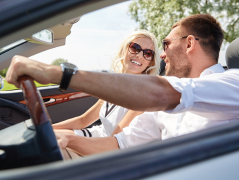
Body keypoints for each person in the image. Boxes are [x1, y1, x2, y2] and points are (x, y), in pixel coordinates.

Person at [6, 14, 239, 157]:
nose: (162, 55)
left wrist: (55, 73)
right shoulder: (165, 100)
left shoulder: (230, 84)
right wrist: (69, 139)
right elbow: (121, 143)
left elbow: (164, 93)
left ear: (189, 44)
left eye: (165, 44)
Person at [52, 30, 161, 139]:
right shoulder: (113, 85)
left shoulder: (143, 95)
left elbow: (113, 142)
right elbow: (83, 120)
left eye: (147, 53)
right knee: (47, 138)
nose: (139, 55)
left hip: (107, 147)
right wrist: (49, 129)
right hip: (97, 136)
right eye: (135, 48)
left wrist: (70, 140)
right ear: (124, 50)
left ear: (150, 62)